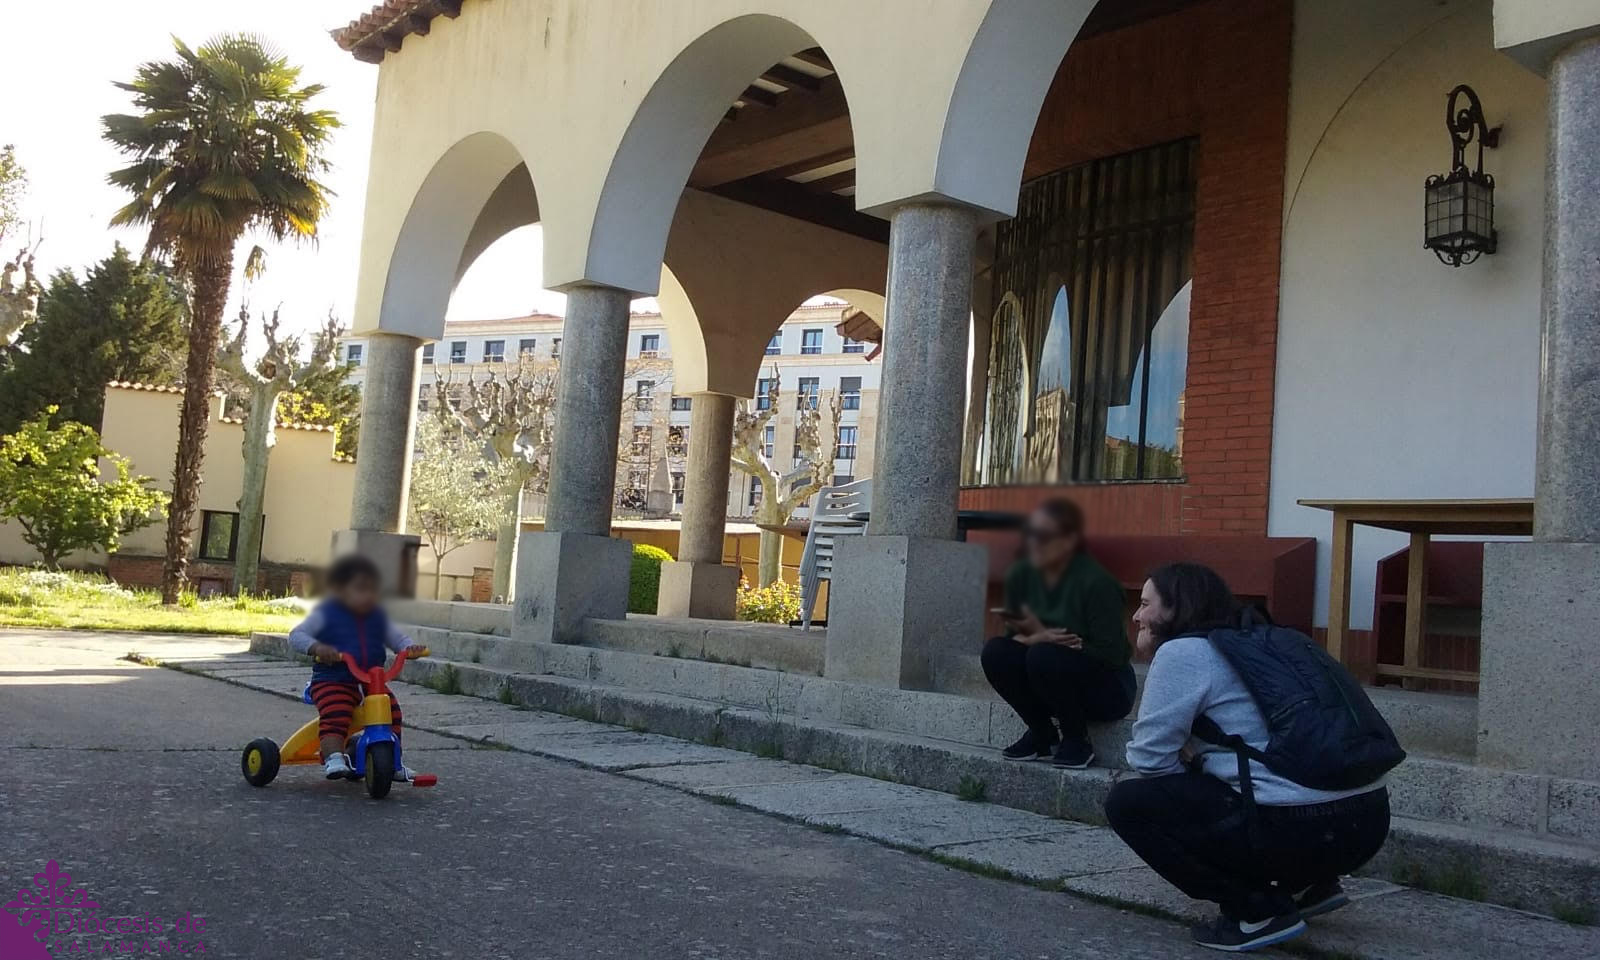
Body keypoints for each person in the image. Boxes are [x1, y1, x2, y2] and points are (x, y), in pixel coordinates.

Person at [1105, 563, 1391, 953]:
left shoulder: (1183, 651)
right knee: (1251, 783)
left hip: (1301, 831)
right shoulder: (1273, 639)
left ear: (1176, 608)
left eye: (1144, 604)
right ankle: (1306, 886)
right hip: (1368, 823)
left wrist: (1194, 765)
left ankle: (1256, 911)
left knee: (1128, 803)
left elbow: (1149, 759)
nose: (1137, 616)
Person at [980, 497, 1135, 768]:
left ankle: (1077, 741)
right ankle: (1042, 733)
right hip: (1047, 676)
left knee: (1044, 656)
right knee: (996, 652)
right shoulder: (1024, 576)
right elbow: (1012, 640)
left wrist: (1066, 647)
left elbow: (1113, 655)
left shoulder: (1098, 584)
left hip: (1109, 689)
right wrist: (1038, 638)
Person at [288, 555, 423, 781]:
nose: (369, 595)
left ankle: (393, 762)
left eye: (373, 590)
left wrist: (409, 648)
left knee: (391, 712)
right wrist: (317, 647)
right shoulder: (326, 615)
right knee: (336, 713)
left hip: (370, 681)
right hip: (333, 678)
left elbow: (397, 638)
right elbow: (296, 635)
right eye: (361, 588)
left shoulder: (377, 618)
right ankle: (333, 757)